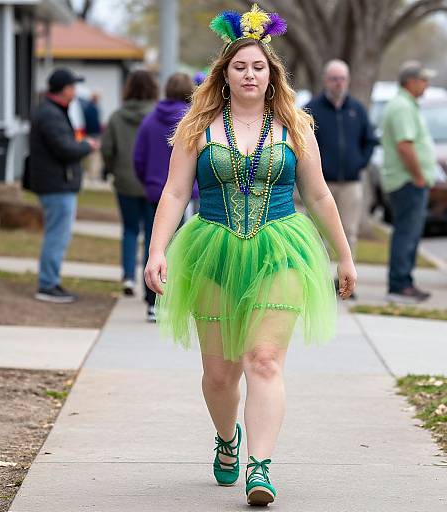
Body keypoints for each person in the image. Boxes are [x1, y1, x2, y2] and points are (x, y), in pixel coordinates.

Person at [144, 4, 357, 507]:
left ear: (271, 74)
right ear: (224, 74)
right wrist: (156, 251)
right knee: (221, 374)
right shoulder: (197, 128)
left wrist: (344, 257)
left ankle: (260, 467)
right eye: (240, 66)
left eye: (258, 66)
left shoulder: (295, 127)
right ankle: (227, 440)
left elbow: (321, 195)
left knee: (263, 360)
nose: (249, 73)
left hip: (281, 250)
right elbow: (174, 194)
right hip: (212, 249)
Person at [305, 59, 377, 298]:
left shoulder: (357, 109)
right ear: (326, 80)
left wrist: (359, 162)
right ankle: (319, 281)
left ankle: (346, 283)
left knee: (349, 231)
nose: (338, 83)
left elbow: (370, 141)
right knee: (318, 233)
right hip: (320, 184)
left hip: (351, 184)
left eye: (342, 78)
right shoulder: (311, 109)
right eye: (334, 78)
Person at [29, 67, 100, 303]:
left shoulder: (53, 110)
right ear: (64, 89)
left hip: (57, 183)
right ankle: (47, 285)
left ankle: (50, 281)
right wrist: (87, 146)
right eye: (72, 86)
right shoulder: (50, 114)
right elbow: (65, 148)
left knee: (58, 235)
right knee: (57, 236)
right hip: (55, 185)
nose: (75, 91)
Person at [133, 72, 198, 322]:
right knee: (183, 247)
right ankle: (177, 297)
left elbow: (138, 158)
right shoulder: (193, 123)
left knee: (154, 244)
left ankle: (152, 302)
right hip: (188, 197)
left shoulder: (149, 121)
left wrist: (148, 182)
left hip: (154, 193)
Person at [101, 70, 159, 313]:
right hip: (152, 182)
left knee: (129, 229)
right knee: (150, 233)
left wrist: (112, 168)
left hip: (125, 181)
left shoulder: (116, 117)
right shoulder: (157, 116)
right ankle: (147, 280)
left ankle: (127, 276)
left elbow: (107, 148)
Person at [381, 60, 436, 303]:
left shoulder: (407, 105)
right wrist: (418, 176)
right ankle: (399, 284)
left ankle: (405, 282)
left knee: (410, 233)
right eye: (423, 80)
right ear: (410, 82)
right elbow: (405, 146)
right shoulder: (402, 106)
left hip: (409, 181)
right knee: (407, 232)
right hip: (407, 181)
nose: (426, 84)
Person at [81, 91, 103, 181]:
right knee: (95, 155)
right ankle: (93, 175)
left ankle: (89, 173)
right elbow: (94, 124)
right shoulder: (93, 108)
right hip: (94, 134)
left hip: (88, 133)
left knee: (89, 155)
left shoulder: (87, 107)